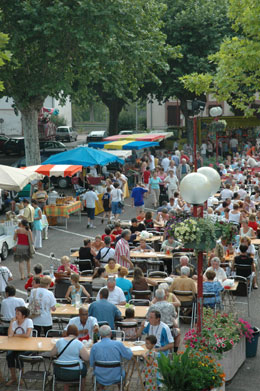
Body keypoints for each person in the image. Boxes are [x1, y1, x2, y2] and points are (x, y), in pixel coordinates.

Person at [6, 306, 33, 386]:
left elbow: (27, 335)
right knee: (9, 355)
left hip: (27, 346)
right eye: (16, 313)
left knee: (19, 356)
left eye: (18, 313)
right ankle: (13, 377)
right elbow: (10, 335)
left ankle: (21, 377)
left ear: (23, 316)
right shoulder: (14, 322)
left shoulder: (28, 321)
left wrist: (16, 335)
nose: (16, 315)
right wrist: (11, 323)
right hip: (15, 345)